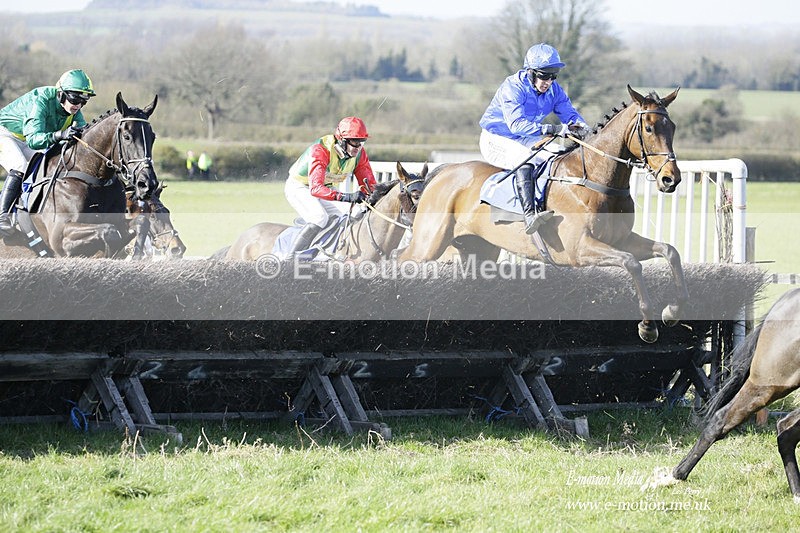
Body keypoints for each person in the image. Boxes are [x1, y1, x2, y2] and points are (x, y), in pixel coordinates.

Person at [479, 43, 589, 234]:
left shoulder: (554, 90)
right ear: (530, 72)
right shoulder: (512, 88)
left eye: (553, 75)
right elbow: (517, 125)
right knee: (523, 158)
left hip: (525, 137)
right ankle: (529, 215)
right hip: (496, 138)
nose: (548, 81)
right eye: (544, 75)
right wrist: (554, 129)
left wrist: (584, 128)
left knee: (557, 157)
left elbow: (569, 113)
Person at [0, 68, 96, 236]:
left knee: (47, 168)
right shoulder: (41, 99)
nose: (78, 105)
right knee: (20, 166)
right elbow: (34, 140)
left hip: (27, 139)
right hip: (6, 133)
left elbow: (84, 137)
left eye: (83, 100)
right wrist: (60, 135)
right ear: (61, 94)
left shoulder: (74, 110)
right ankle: (2, 218)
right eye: (75, 98)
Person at [284, 116, 377, 256]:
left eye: (361, 143)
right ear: (342, 140)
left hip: (326, 188)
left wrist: (373, 197)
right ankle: (289, 259)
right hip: (300, 187)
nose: (358, 148)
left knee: (356, 213)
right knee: (319, 217)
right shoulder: (321, 149)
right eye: (354, 142)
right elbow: (315, 188)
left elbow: (369, 184)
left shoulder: (359, 154)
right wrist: (347, 196)